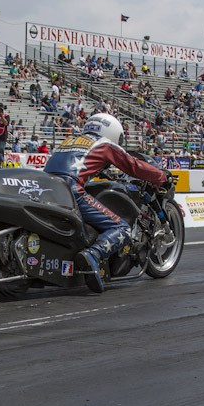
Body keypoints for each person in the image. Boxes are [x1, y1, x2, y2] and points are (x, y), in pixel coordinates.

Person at [43, 113, 169, 293]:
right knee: (122, 228)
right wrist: (161, 176)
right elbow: (133, 166)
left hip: (46, 188)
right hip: (71, 190)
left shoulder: (69, 141)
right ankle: (93, 254)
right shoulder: (104, 144)